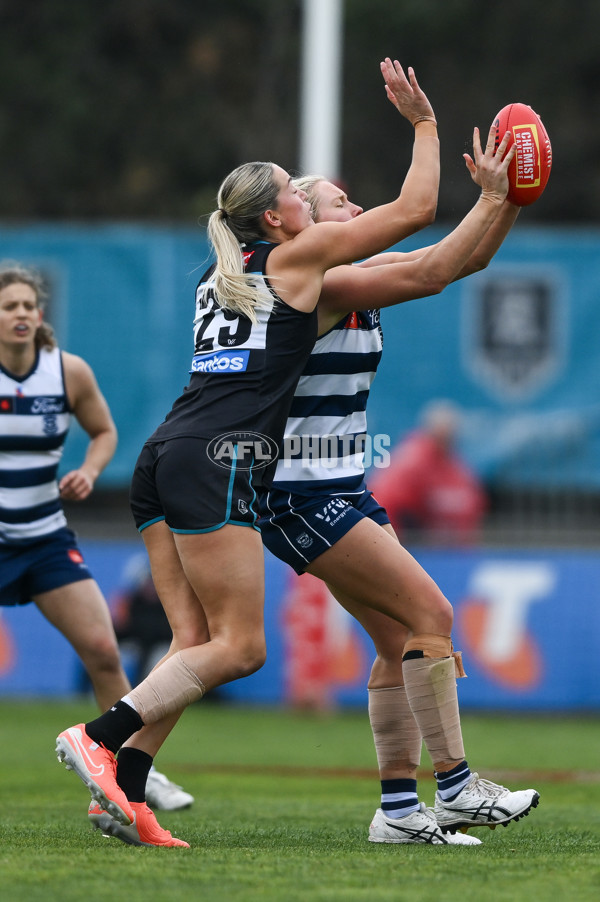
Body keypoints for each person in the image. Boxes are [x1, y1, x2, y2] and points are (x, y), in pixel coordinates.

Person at [55, 58, 447, 848]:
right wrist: (426, 126)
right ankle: (101, 734)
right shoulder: (295, 261)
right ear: (273, 219)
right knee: (240, 647)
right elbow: (418, 212)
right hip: (219, 456)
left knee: (192, 643)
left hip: (166, 450)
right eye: (297, 192)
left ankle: (123, 795)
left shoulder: (220, 273)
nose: (308, 195)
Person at [257, 139, 540, 843]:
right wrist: (487, 191)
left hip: (340, 487)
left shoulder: (354, 275)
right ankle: (456, 786)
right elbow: (437, 266)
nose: (353, 209)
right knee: (432, 614)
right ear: (308, 225)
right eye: (338, 203)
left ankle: (398, 812)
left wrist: (505, 202)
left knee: (395, 640)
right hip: (300, 490)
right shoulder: (318, 285)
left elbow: (461, 260)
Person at [0, 262, 193, 817]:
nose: (20, 314)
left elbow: (105, 431)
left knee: (104, 651)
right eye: (8, 306)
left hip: (44, 540)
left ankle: (133, 771)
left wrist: (89, 466)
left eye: (27, 306)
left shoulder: (66, 372)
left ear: (40, 316)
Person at [368, 399, 487, 544]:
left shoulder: (456, 467)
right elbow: (385, 502)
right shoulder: (410, 462)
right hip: (412, 548)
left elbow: (472, 505)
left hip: (449, 551)